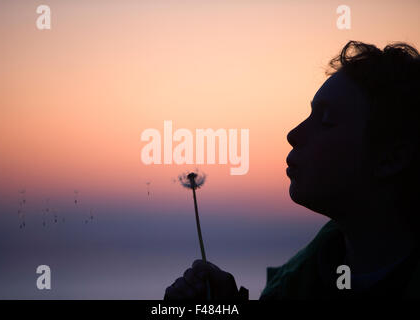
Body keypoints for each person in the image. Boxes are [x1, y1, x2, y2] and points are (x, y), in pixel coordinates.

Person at [164, 41, 420, 300]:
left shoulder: (298, 285)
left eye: (326, 121)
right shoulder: (293, 287)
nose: (293, 134)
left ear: (391, 158)